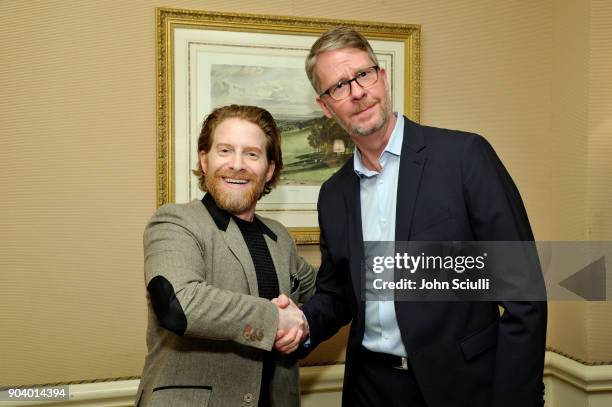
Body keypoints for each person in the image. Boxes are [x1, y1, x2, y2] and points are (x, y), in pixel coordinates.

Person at [274, 26, 547, 407]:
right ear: (325, 106)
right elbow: (338, 294)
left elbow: (525, 295)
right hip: (369, 388)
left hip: (461, 388)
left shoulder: (464, 157)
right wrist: (301, 323)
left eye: (363, 74)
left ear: (382, 78)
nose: (356, 92)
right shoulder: (334, 195)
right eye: (338, 86)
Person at [136, 104, 314, 407]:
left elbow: (327, 293)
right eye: (225, 151)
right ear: (204, 160)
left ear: (269, 169)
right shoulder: (175, 222)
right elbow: (178, 303)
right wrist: (276, 321)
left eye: (252, 154)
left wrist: (304, 325)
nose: (237, 164)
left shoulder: (280, 238)